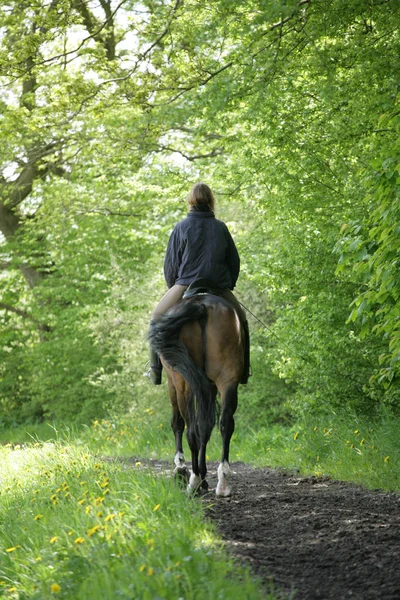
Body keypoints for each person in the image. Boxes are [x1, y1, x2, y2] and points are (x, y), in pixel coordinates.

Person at [147, 182, 250, 385]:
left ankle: (155, 370)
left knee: (156, 317)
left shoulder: (180, 227)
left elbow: (170, 265)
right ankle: (244, 370)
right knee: (242, 320)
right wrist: (228, 284)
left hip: (185, 285)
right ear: (211, 200)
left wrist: (174, 287)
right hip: (218, 286)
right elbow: (234, 261)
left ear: (190, 201)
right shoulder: (221, 227)